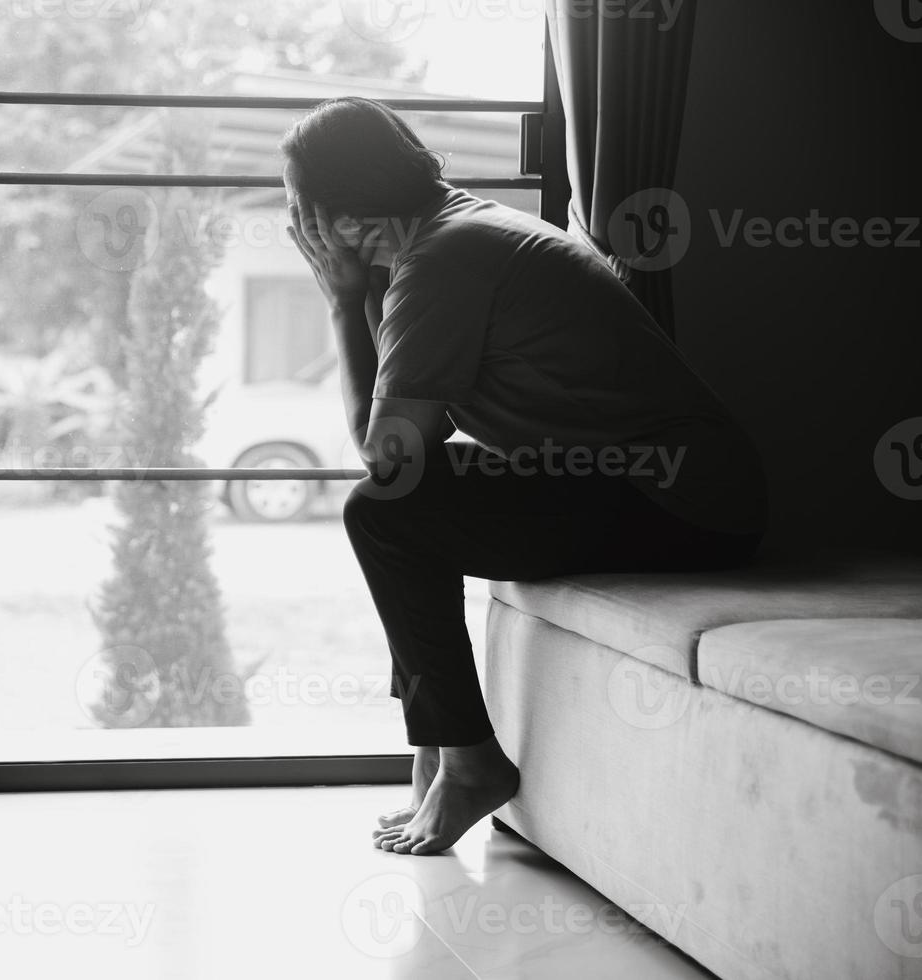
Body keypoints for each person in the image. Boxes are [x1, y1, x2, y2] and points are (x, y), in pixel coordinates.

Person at [280, 97, 767, 856]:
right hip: (653, 487)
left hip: (680, 501)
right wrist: (364, 294)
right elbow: (416, 447)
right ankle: (441, 752)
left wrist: (343, 304)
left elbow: (388, 460)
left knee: (382, 509)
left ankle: (470, 764)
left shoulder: (446, 258)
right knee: (405, 504)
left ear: (339, 216)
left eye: (298, 208)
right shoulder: (453, 233)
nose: (298, 230)